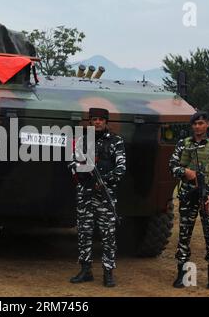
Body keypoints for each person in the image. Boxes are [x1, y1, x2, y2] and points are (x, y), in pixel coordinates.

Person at [69, 107, 126, 287]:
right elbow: (72, 164)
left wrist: (104, 180)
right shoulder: (82, 141)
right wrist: (86, 175)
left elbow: (121, 168)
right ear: (90, 122)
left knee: (108, 235)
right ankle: (86, 270)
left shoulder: (116, 141)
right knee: (84, 233)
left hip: (105, 196)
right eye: (94, 119)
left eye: (101, 119)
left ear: (106, 122)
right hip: (85, 195)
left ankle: (108, 272)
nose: (98, 122)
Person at [169, 111, 209, 289]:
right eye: (195, 124)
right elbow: (172, 165)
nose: (198, 127)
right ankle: (182, 274)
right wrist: (185, 172)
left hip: (207, 195)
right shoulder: (183, 144)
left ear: (207, 124)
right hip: (188, 194)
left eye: (201, 123)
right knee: (184, 234)